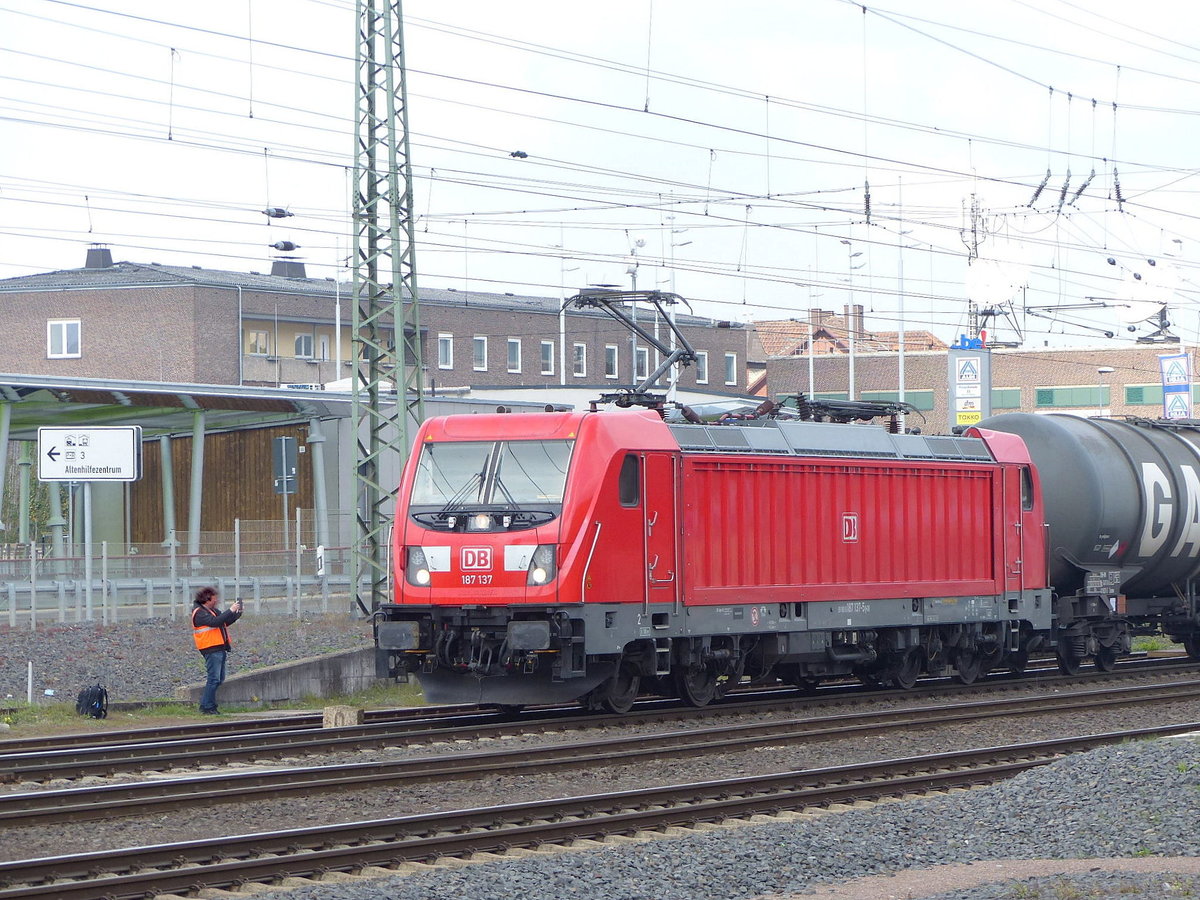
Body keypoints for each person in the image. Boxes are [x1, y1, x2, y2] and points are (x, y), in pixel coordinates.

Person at [191, 586, 244, 715]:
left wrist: (237, 613)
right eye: (215, 599)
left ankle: (207, 705)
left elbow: (224, 621)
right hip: (210, 649)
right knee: (214, 678)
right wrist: (230, 609)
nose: (217, 601)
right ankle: (207, 707)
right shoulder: (199, 613)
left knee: (219, 679)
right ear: (207, 599)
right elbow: (215, 622)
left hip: (219, 648)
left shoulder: (211, 610)